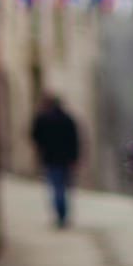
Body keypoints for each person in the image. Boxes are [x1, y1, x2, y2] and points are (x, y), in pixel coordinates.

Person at [30, 93, 80, 228]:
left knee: (55, 187)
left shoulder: (42, 118)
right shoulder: (67, 119)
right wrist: (75, 158)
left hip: (50, 157)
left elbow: (35, 136)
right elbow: (74, 140)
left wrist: (43, 147)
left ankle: (60, 215)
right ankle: (63, 215)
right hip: (65, 159)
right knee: (63, 187)